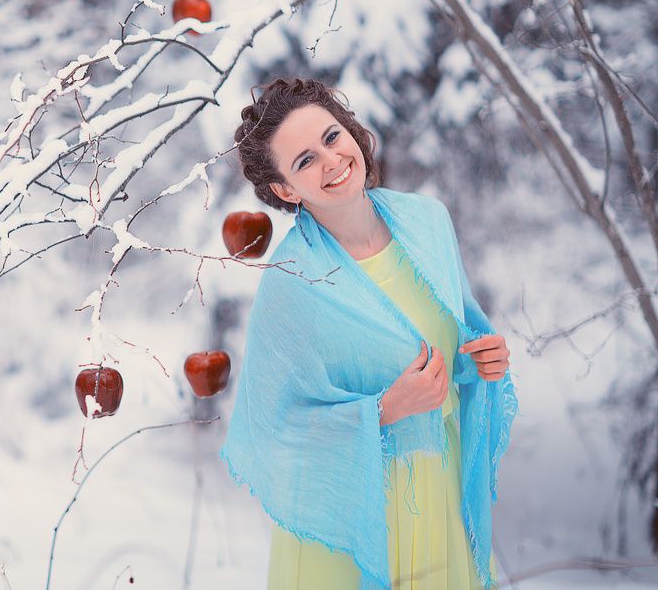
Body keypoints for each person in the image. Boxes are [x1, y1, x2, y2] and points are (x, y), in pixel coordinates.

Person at [219, 78, 518, 590]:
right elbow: (277, 429)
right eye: (304, 161)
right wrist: (383, 410)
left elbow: (445, 344)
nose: (331, 161)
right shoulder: (295, 280)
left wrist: (477, 361)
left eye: (332, 138)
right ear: (285, 190)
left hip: (438, 494)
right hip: (352, 517)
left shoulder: (427, 223)